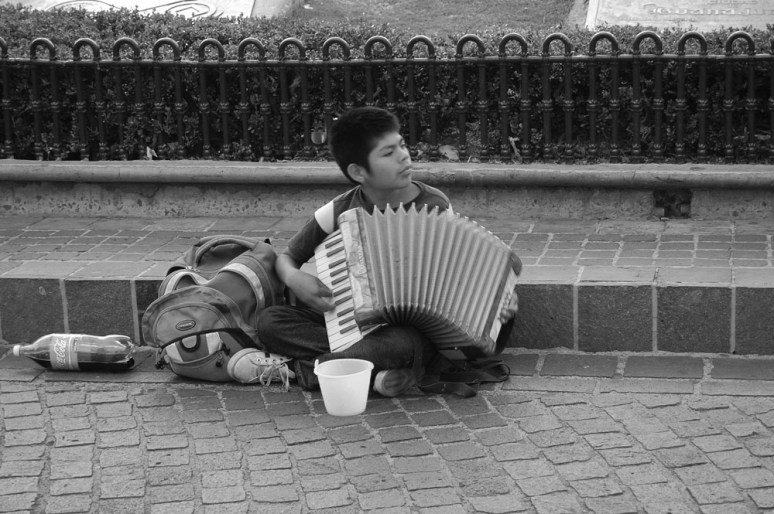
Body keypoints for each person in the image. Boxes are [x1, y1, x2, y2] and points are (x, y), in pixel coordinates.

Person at [252, 106, 518, 396]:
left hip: (410, 334)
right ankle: (373, 371)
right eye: (388, 153)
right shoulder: (339, 211)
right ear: (358, 171)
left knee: (399, 344)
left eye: (402, 145)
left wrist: (497, 306)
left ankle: (309, 370)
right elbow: (287, 258)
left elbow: (461, 276)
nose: (404, 156)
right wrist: (295, 279)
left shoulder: (435, 206)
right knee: (270, 322)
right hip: (350, 325)